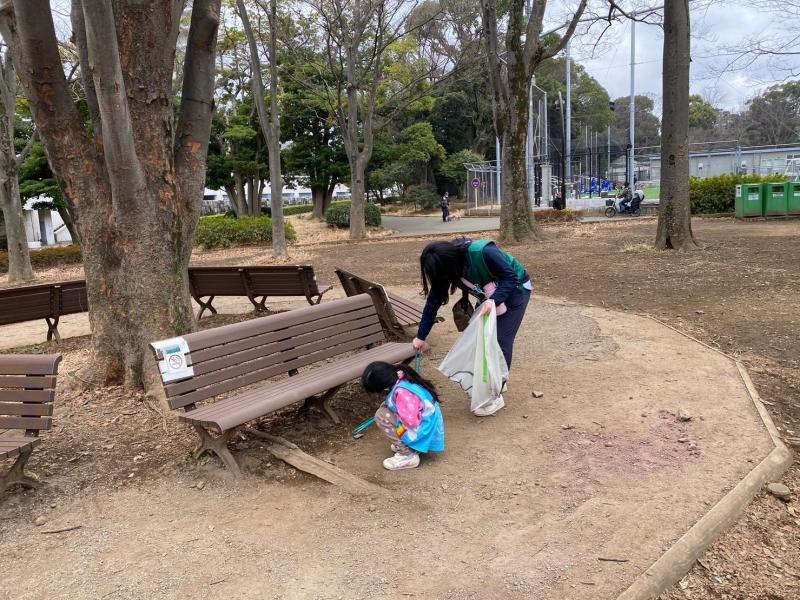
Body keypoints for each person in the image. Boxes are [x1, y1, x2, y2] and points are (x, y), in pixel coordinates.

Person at [412, 238, 533, 416]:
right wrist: (420, 337)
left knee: (500, 341)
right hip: (488, 296)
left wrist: (494, 301)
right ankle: (494, 381)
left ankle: (495, 395)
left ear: (449, 263)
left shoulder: (483, 252)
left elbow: (510, 277)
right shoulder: (449, 269)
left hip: (515, 290)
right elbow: (433, 302)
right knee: (482, 340)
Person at [361, 362, 445, 471]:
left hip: (422, 429)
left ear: (384, 388)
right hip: (428, 423)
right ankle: (410, 447)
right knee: (385, 409)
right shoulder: (401, 377)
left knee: (381, 416)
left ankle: (408, 455)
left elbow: (411, 421)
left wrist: (394, 412)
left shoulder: (402, 392)